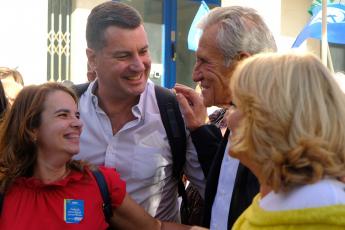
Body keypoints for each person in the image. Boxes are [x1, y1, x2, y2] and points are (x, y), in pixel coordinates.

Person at [0, 82, 208, 230]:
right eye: (63, 115)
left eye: (77, 115)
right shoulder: (5, 191)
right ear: (31, 129)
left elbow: (155, 227)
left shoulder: (100, 183)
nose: (77, 123)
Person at [74, 1, 206, 222]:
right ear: (92, 58)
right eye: (123, 56)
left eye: (143, 51)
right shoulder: (68, 109)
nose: (139, 65)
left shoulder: (173, 111)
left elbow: (216, 191)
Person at [174, 6, 277, 229]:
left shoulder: (278, 133)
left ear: (242, 63)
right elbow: (226, 188)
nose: (195, 74)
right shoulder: (240, 115)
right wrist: (200, 128)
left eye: (204, 61)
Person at [229, 52, 345, 229]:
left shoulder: (327, 221)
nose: (229, 119)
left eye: (236, 106)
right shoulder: (269, 203)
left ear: (269, 121)